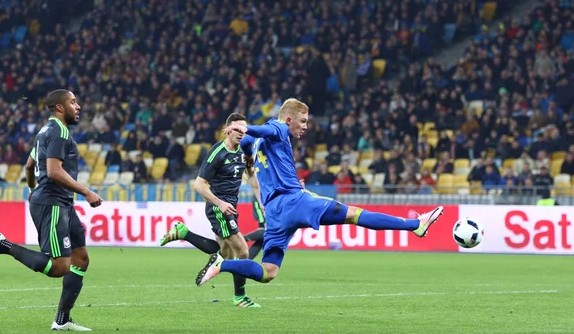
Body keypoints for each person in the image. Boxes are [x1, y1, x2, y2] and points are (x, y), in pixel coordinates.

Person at [195, 98, 443, 286]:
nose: (305, 127)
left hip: (274, 215)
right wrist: (250, 129)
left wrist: (248, 152)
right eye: (302, 121)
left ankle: (223, 264)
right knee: (353, 214)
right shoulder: (279, 128)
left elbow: (249, 149)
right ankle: (415, 225)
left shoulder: (253, 143)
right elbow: (266, 131)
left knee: (268, 272)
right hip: (294, 200)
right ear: (289, 120)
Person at [0, 89, 103, 331]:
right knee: (59, 267)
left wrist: (33, 188)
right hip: (53, 203)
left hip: (60, 202)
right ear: (59, 107)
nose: (78, 107)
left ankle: (62, 319)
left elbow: (28, 166)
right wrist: (86, 191)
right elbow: (54, 171)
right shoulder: (59, 132)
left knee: (81, 259)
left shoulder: (44, 131)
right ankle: (2, 245)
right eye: (73, 102)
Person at [161, 113, 263, 308]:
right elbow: (199, 185)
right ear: (228, 129)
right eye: (237, 129)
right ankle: (240, 297)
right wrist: (220, 203)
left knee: (225, 255)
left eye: (244, 129)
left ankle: (184, 233)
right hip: (219, 208)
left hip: (231, 207)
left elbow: (250, 176)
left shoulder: (246, 151)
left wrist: (261, 202)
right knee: (243, 252)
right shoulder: (218, 152)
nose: (242, 133)